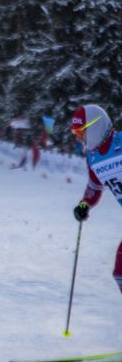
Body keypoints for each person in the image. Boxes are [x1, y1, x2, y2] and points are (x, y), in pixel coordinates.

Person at [71, 104, 122, 295]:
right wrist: (84, 205)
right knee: (120, 274)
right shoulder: (93, 158)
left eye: (79, 131)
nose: (77, 137)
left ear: (94, 127)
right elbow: (93, 188)